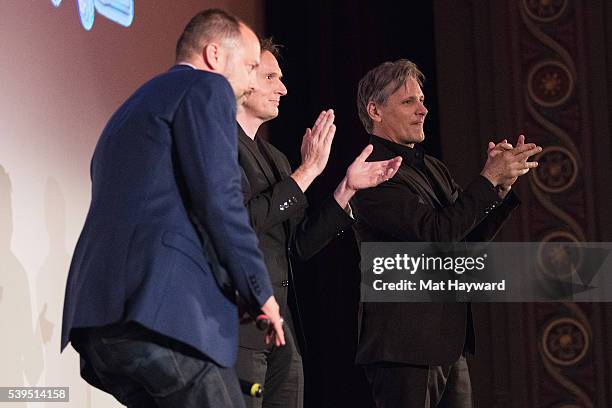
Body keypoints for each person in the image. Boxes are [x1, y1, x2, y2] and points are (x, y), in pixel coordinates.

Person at [61, 9, 285, 408]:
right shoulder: (206, 88)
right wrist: (258, 291)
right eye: (251, 66)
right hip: (163, 319)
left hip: (100, 325)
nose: (253, 81)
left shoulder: (128, 112)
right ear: (214, 54)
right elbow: (219, 198)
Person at [351, 59, 542, 408]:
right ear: (375, 110)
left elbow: (463, 240)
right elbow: (435, 234)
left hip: (447, 342)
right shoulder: (370, 172)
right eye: (408, 101)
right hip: (404, 345)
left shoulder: (433, 167)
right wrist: (486, 180)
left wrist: (499, 188)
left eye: (422, 100)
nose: (423, 109)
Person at [234, 39, 402, 408]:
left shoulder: (275, 157)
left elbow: (300, 244)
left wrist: (346, 188)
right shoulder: (217, 145)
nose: (283, 88)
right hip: (236, 324)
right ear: (241, 79)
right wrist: (307, 171)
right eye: (270, 77)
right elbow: (238, 223)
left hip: (282, 329)